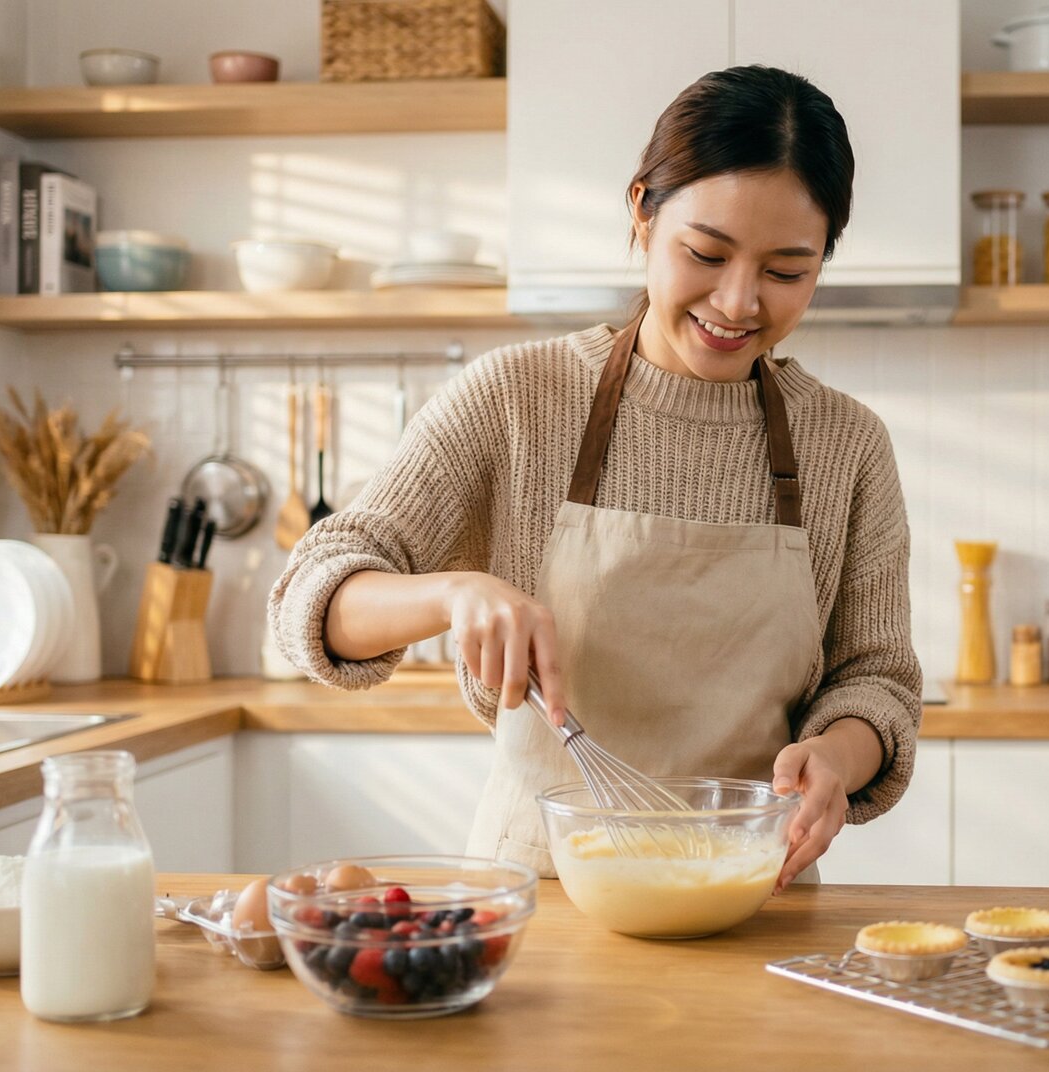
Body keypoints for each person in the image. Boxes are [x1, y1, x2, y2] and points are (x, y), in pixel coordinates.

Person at [269, 65, 920, 890]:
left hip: (755, 894)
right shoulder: (516, 398)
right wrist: (451, 594)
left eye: (787, 271)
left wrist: (837, 754)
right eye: (707, 253)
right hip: (538, 896)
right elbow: (308, 599)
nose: (738, 300)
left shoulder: (848, 444)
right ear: (643, 214)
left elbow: (878, 678)